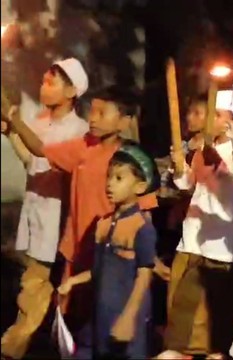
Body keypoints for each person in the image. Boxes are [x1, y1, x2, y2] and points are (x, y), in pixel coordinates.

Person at [1, 85, 159, 355]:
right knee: (76, 324)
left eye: (102, 112)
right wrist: (13, 117)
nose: (93, 118)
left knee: (108, 323)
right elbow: (40, 149)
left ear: (124, 120)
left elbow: (144, 216)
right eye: (92, 111)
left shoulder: (132, 160)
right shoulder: (84, 147)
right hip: (77, 252)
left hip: (113, 260)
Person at [0, 58, 89, 359]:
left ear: (71, 92)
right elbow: (30, 160)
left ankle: (11, 350)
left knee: (34, 295)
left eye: (52, 82)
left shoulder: (80, 130)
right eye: (44, 80)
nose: (43, 85)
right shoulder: (40, 122)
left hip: (56, 226)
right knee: (35, 293)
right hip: (34, 221)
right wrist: (12, 132)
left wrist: (16, 122)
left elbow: (42, 151)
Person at [162, 89, 233, 358]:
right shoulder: (202, 150)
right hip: (193, 241)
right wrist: (179, 166)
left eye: (216, 115)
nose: (208, 121)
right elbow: (186, 184)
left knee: (216, 325)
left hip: (223, 252)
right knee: (181, 312)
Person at [57, 145, 160, 359]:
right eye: (109, 177)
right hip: (100, 317)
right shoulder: (103, 224)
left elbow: (144, 276)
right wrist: (73, 281)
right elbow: (99, 269)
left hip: (126, 319)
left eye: (119, 178)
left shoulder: (141, 226)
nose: (109, 184)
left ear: (140, 186)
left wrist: (128, 318)